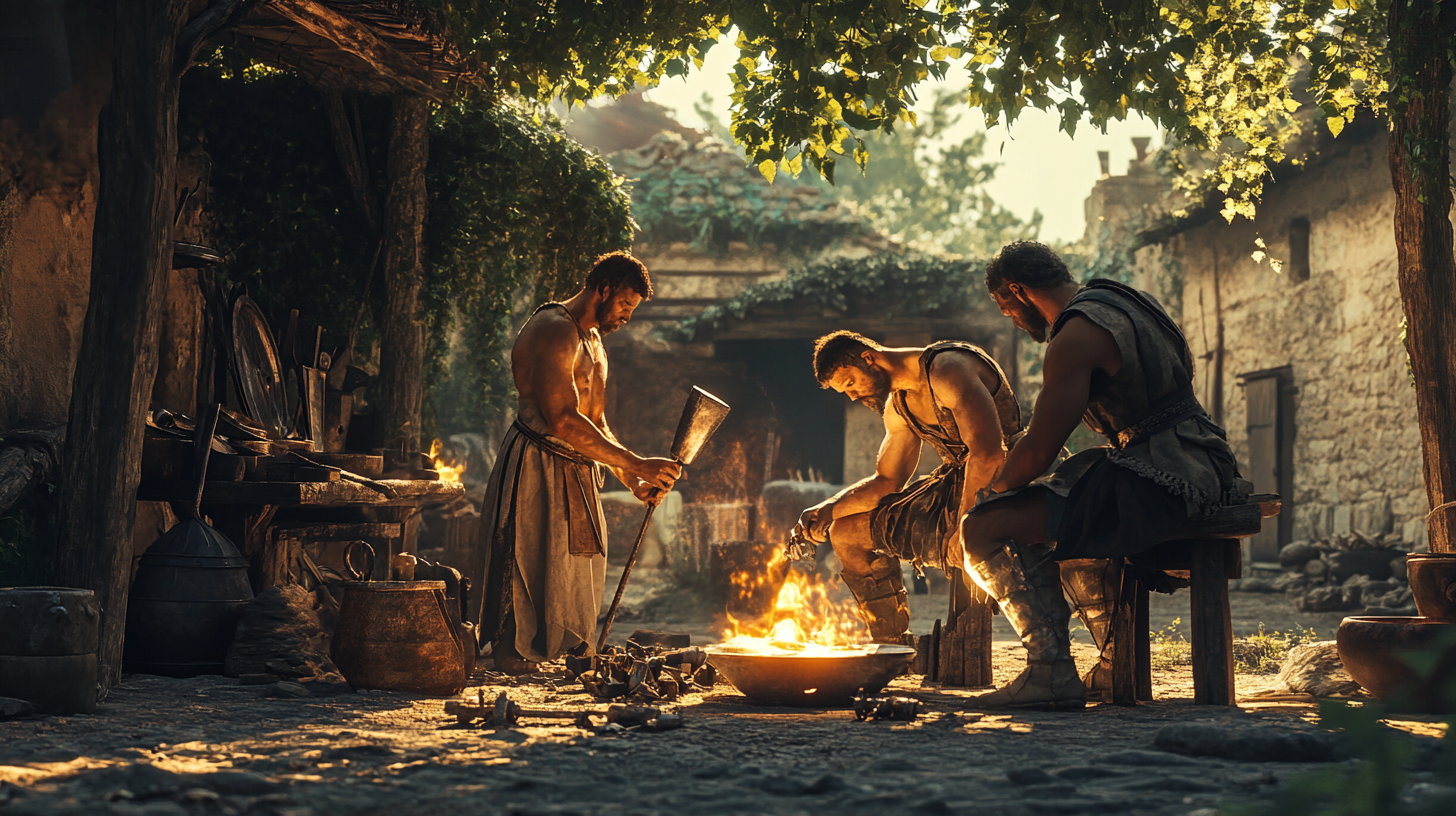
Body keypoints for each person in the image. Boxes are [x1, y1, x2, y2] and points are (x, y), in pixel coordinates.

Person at [959, 241, 1243, 709]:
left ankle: (1048, 672)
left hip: (1164, 475)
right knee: (1071, 501)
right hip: (1201, 458)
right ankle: (1112, 664)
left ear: (1017, 290)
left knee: (984, 526)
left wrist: (991, 493)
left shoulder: (1075, 335)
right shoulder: (1122, 298)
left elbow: (1038, 451)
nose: (1010, 318)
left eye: (1005, 306)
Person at [473, 252, 682, 675]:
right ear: (603, 289)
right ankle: (512, 651)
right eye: (624, 305)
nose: (626, 316)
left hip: (579, 467)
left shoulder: (593, 340)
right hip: (536, 460)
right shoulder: (555, 329)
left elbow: (596, 420)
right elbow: (562, 418)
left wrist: (630, 478)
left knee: (574, 564)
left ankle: (559, 652)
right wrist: (639, 462)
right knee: (527, 556)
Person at [790, 331, 1022, 643]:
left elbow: (988, 453)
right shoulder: (898, 405)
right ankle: (893, 645)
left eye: (850, 384)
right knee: (845, 533)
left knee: (977, 544)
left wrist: (966, 527)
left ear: (868, 359)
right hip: (956, 486)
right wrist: (829, 509)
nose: (853, 397)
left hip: (1014, 476)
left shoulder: (947, 369)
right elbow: (887, 480)